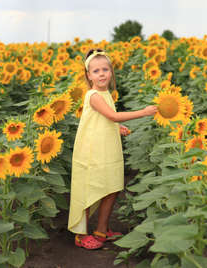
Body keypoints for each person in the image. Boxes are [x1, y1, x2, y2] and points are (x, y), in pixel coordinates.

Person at [68, 49, 158, 249]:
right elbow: (113, 115)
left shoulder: (105, 93)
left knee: (112, 188)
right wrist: (143, 112)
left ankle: (101, 230)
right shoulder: (93, 95)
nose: (101, 74)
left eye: (105, 69)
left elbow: (103, 118)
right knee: (90, 190)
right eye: (96, 71)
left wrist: (116, 127)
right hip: (92, 153)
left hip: (107, 150)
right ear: (88, 75)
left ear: (111, 72)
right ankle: (80, 235)